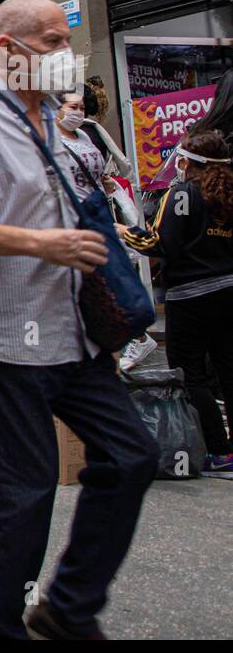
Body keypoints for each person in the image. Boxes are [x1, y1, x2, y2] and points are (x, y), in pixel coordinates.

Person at [0, 0, 158, 640]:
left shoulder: (58, 123)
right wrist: (38, 243)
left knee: (132, 457)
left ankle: (69, 607)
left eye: (65, 40)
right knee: (26, 495)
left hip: (74, 338)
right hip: (2, 340)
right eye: (50, 42)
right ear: (7, 51)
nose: (63, 55)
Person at [121, 129, 233, 473]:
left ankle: (220, 450)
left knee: (191, 374)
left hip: (191, 296)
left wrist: (122, 231)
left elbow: (159, 243)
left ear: (188, 162)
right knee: (228, 370)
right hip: (228, 292)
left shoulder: (182, 194)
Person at [55, 88, 157, 371]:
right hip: (75, 220)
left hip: (98, 213)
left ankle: (132, 334)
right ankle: (122, 338)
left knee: (111, 274)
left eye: (81, 107)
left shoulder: (86, 135)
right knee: (97, 279)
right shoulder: (46, 140)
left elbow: (97, 172)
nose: (78, 112)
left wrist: (107, 185)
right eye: (72, 107)